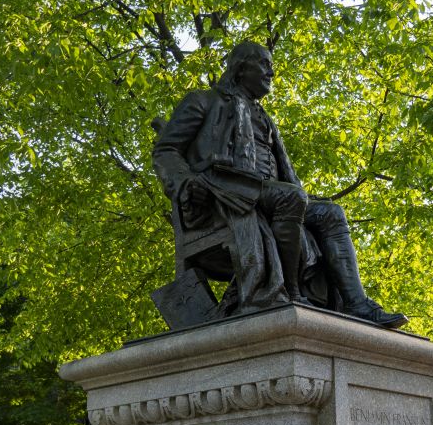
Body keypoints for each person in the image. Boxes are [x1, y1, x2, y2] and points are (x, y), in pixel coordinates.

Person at [153, 41, 407, 328]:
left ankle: (357, 303)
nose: (271, 73)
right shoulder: (203, 101)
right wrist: (184, 183)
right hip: (223, 193)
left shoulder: (264, 117)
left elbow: (281, 171)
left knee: (331, 213)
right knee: (292, 198)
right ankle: (291, 292)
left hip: (269, 195)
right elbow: (166, 150)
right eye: (264, 64)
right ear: (240, 67)